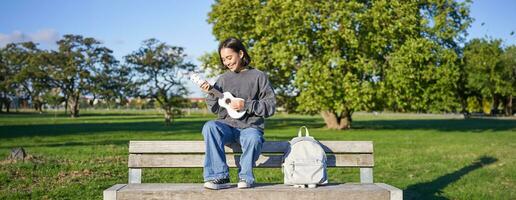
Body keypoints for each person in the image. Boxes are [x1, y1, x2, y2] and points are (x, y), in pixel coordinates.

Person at [199, 37, 276, 190]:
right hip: (227, 127)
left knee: (253, 138)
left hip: (250, 128)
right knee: (210, 127)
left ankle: (245, 177)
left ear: (240, 54)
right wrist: (211, 94)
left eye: (229, 57)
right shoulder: (222, 79)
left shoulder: (259, 76)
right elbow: (216, 110)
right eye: (223, 59)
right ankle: (219, 177)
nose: (227, 62)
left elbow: (270, 106)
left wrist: (246, 105)